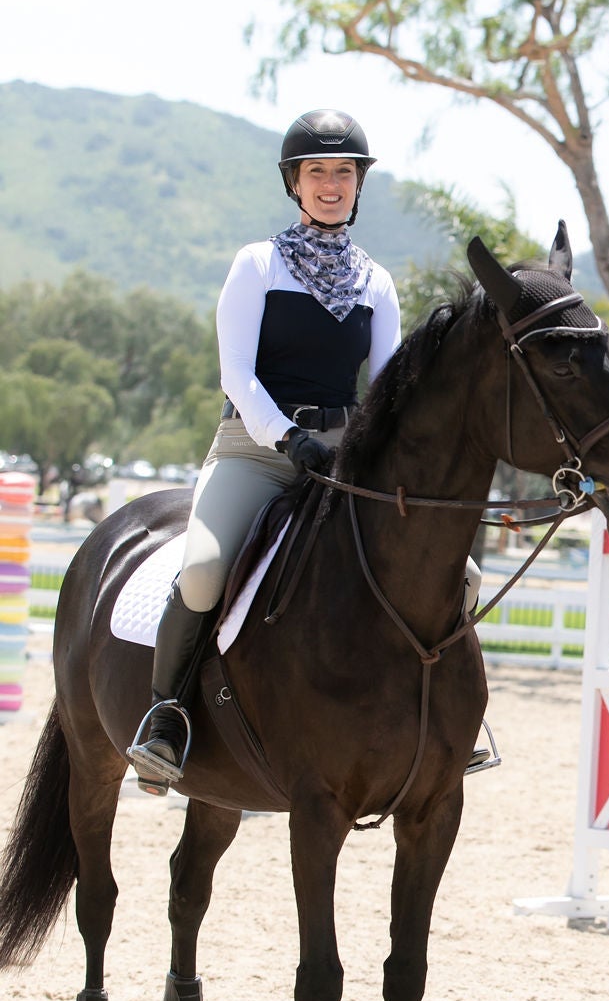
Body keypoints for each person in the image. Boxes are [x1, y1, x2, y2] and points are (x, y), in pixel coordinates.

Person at [127, 108, 404, 792]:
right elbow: (237, 376)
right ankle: (165, 717)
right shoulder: (258, 264)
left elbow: (388, 388)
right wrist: (288, 436)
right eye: (318, 172)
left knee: (435, 569)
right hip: (255, 449)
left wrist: (366, 451)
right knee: (201, 571)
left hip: (341, 462)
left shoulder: (376, 282)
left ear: (359, 184)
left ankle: (439, 719)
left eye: (344, 172)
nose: (331, 184)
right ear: (295, 182)